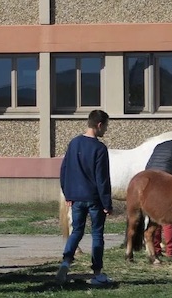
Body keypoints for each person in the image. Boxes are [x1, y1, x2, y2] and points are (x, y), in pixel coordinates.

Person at [58, 110, 114, 287]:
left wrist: (68, 193)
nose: (105, 130)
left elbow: (64, 170)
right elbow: (102, 178)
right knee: (97, 234)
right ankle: (97, 272)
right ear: (99, 125)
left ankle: (66, 262)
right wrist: (107, 203)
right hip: (95, 199)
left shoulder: (74, 143)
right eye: (105, 126)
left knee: (76, 231)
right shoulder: (100, 148)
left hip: (76, 197)